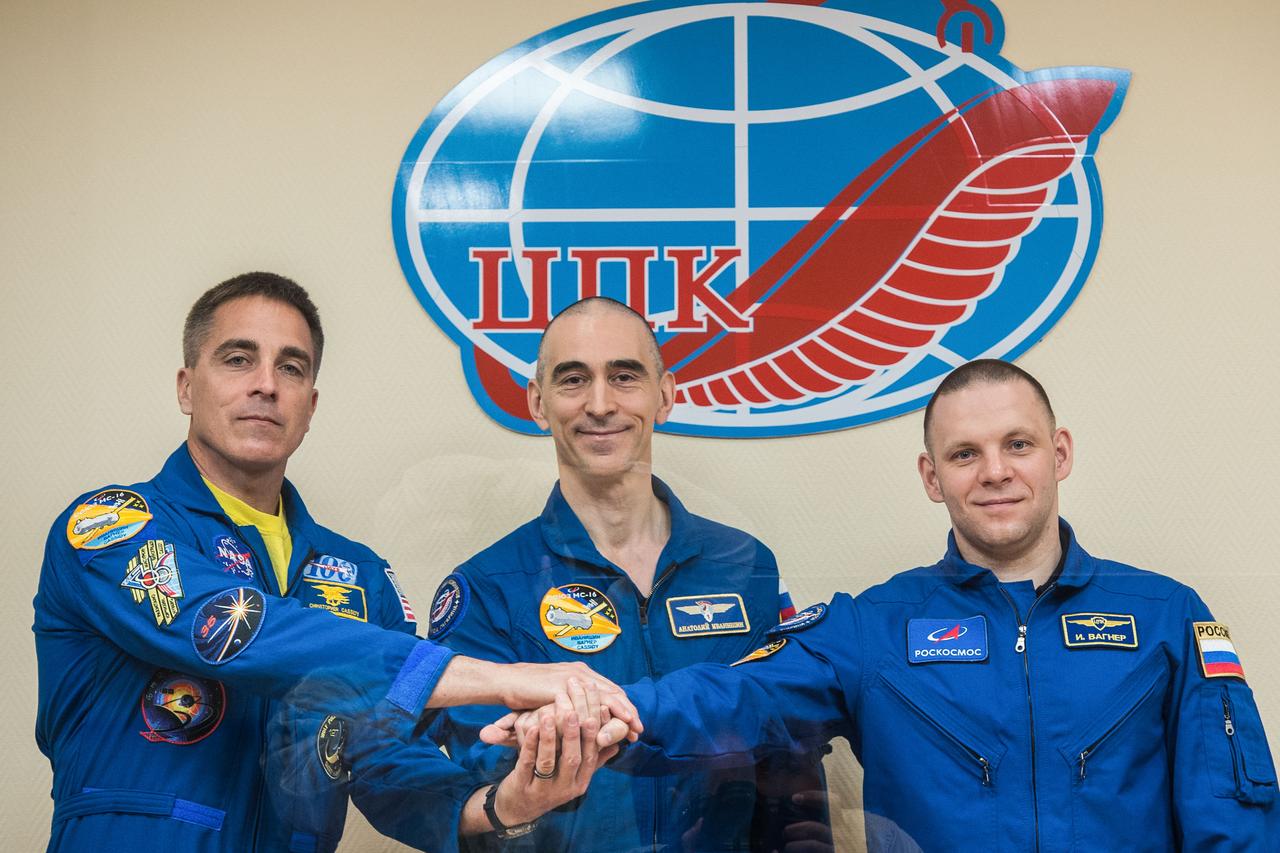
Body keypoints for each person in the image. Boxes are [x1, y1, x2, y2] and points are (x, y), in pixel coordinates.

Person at [498, 358, 1279, 850]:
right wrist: (595, 711)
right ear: (931, 476)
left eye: (1018, 444)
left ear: (1060, 452)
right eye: (964, 454)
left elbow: (1233, 816)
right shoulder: (873, 628)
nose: (995, 472)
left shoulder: (1168, 615)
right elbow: (732, 693)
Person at [33, 273, 637, 853]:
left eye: (290, 368)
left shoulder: (358, 575)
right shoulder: (113, 527)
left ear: (311, 402)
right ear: (187, 386)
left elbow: (385, 758)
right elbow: (230, 627)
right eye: (238, 359)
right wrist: (503, 677)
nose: (266, 384)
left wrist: (506, 804)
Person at [428, 296, 829, 851]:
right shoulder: (488, 589)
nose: (600, 404)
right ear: (537, 403)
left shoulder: (745, 566)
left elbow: (788, 749)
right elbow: (482, 788)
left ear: (663, 396)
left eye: (624, 376)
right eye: (573, 380)